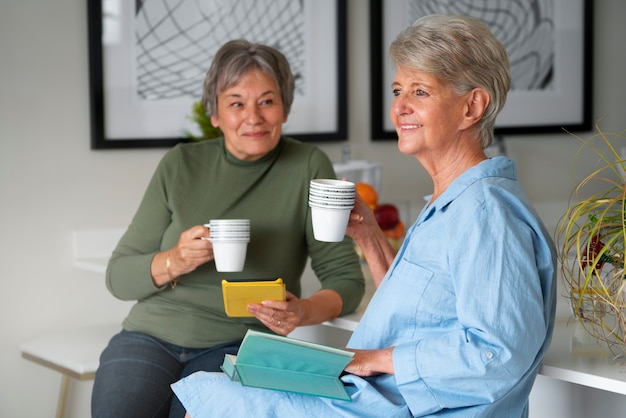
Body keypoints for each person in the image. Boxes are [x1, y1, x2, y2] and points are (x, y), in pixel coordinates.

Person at [170, 14, 557, 417]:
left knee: (214, 397)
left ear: (472, 106)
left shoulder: (486, 213)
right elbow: (423, 313)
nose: (400, 108)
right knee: (219, 387)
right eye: (397, 90)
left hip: (403, 408)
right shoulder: (450, 203)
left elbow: (499, 355)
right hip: (376, 399)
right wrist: (371, 238)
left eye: (420, 92)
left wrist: (377, 358)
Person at [90, 39, 365, 418]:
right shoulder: (180, 164)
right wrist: (175, 260)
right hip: (150, 335)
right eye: (236, 103)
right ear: (215, 114)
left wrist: (301, 311)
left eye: (267, 101)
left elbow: (346, 280)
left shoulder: (307, 165)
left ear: (284, 108)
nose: (252, 117)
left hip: (239, 341)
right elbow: (118, 277)